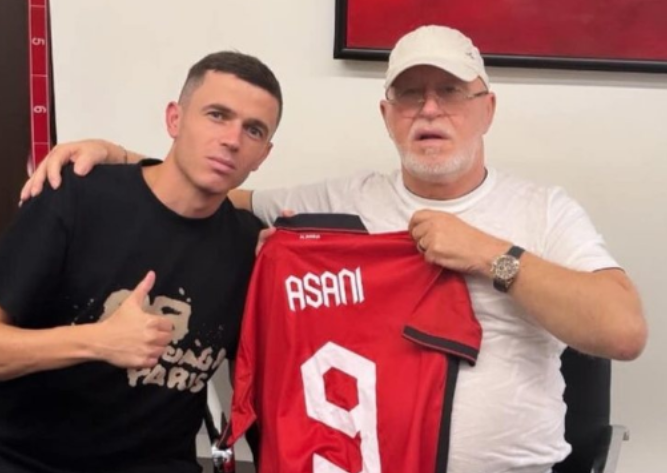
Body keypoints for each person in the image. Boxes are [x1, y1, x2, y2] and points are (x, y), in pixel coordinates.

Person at [21, 25, 647, 473]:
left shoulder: (543, 211)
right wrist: (118, 156)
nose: (430, 109)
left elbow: (623, 331)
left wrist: (490, 255)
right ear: (387, 114)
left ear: (487, 109)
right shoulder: (338, 204)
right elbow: (215, 186)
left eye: (452, 92)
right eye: (410, 94)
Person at [0, 51, 282, 473]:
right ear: (174, 119)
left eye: (253, 130)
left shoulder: (250, 247)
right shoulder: (77, 198)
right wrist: (98, 341)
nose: (232, 139)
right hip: (30, 461)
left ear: (263, 155)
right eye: (217, 115)